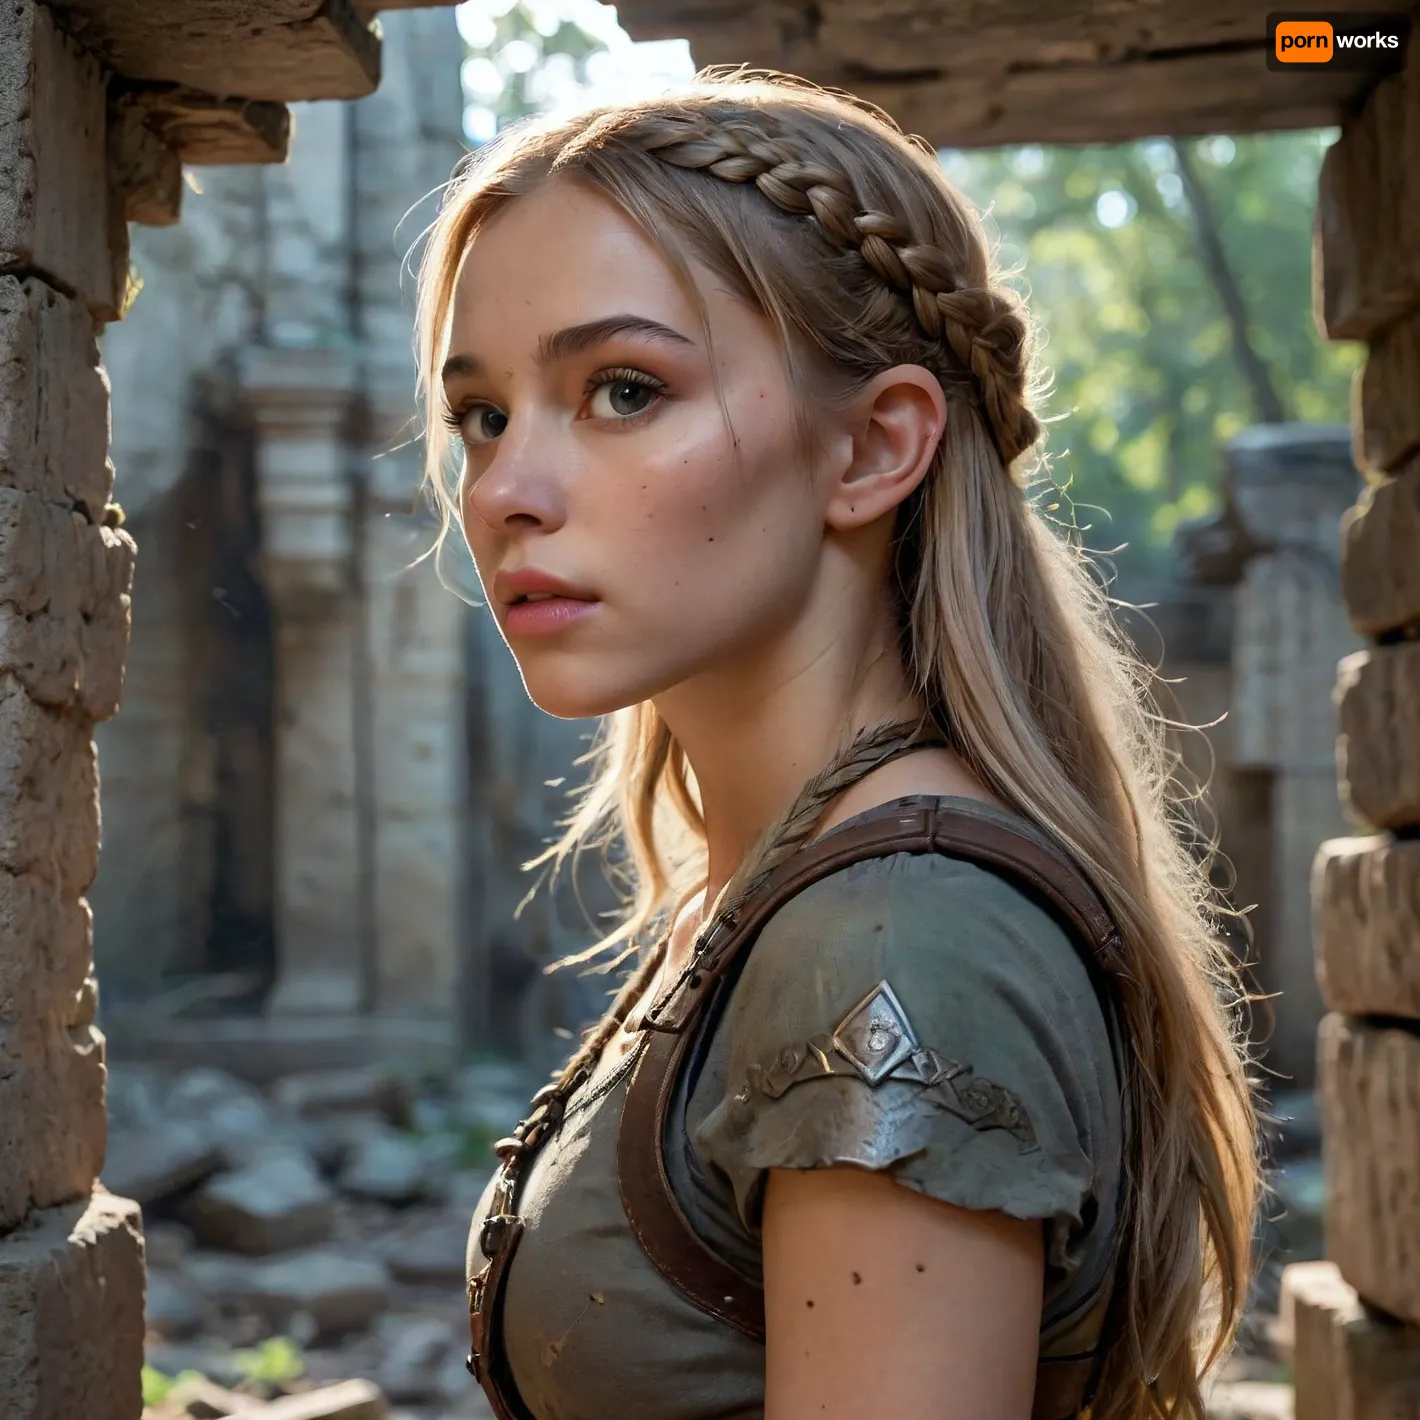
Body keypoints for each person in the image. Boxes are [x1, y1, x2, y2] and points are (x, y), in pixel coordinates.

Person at [414, 68, 1260, 1420]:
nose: (507, 489)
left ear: (872, 449)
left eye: (624, 390)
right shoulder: (794, 887)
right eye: (483, 416)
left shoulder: (893, 939)